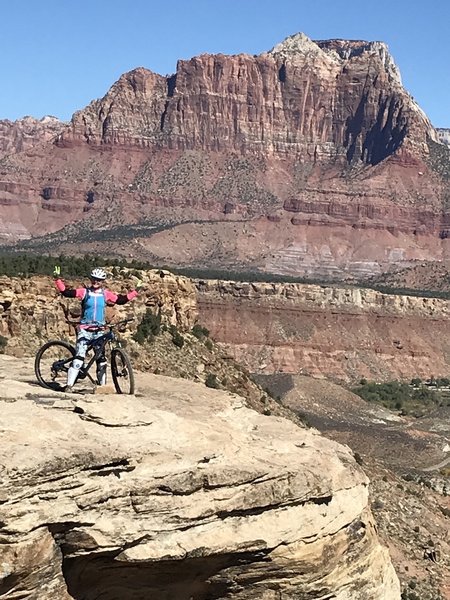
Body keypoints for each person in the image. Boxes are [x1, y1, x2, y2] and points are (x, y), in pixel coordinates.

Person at [53, 266, 143, 392]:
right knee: (79, 359)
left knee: (101, 360)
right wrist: (57, 279)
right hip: (85, 330)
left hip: (99, 331)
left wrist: (135, 291)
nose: (96, 282)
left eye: (99, 280)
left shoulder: (105, 294)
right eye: (94, 279)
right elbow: (67, 293)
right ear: (91, 279)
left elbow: (121, 300)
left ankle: (102, 387)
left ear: (102, 282)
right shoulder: (84, 292)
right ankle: (69, 386)